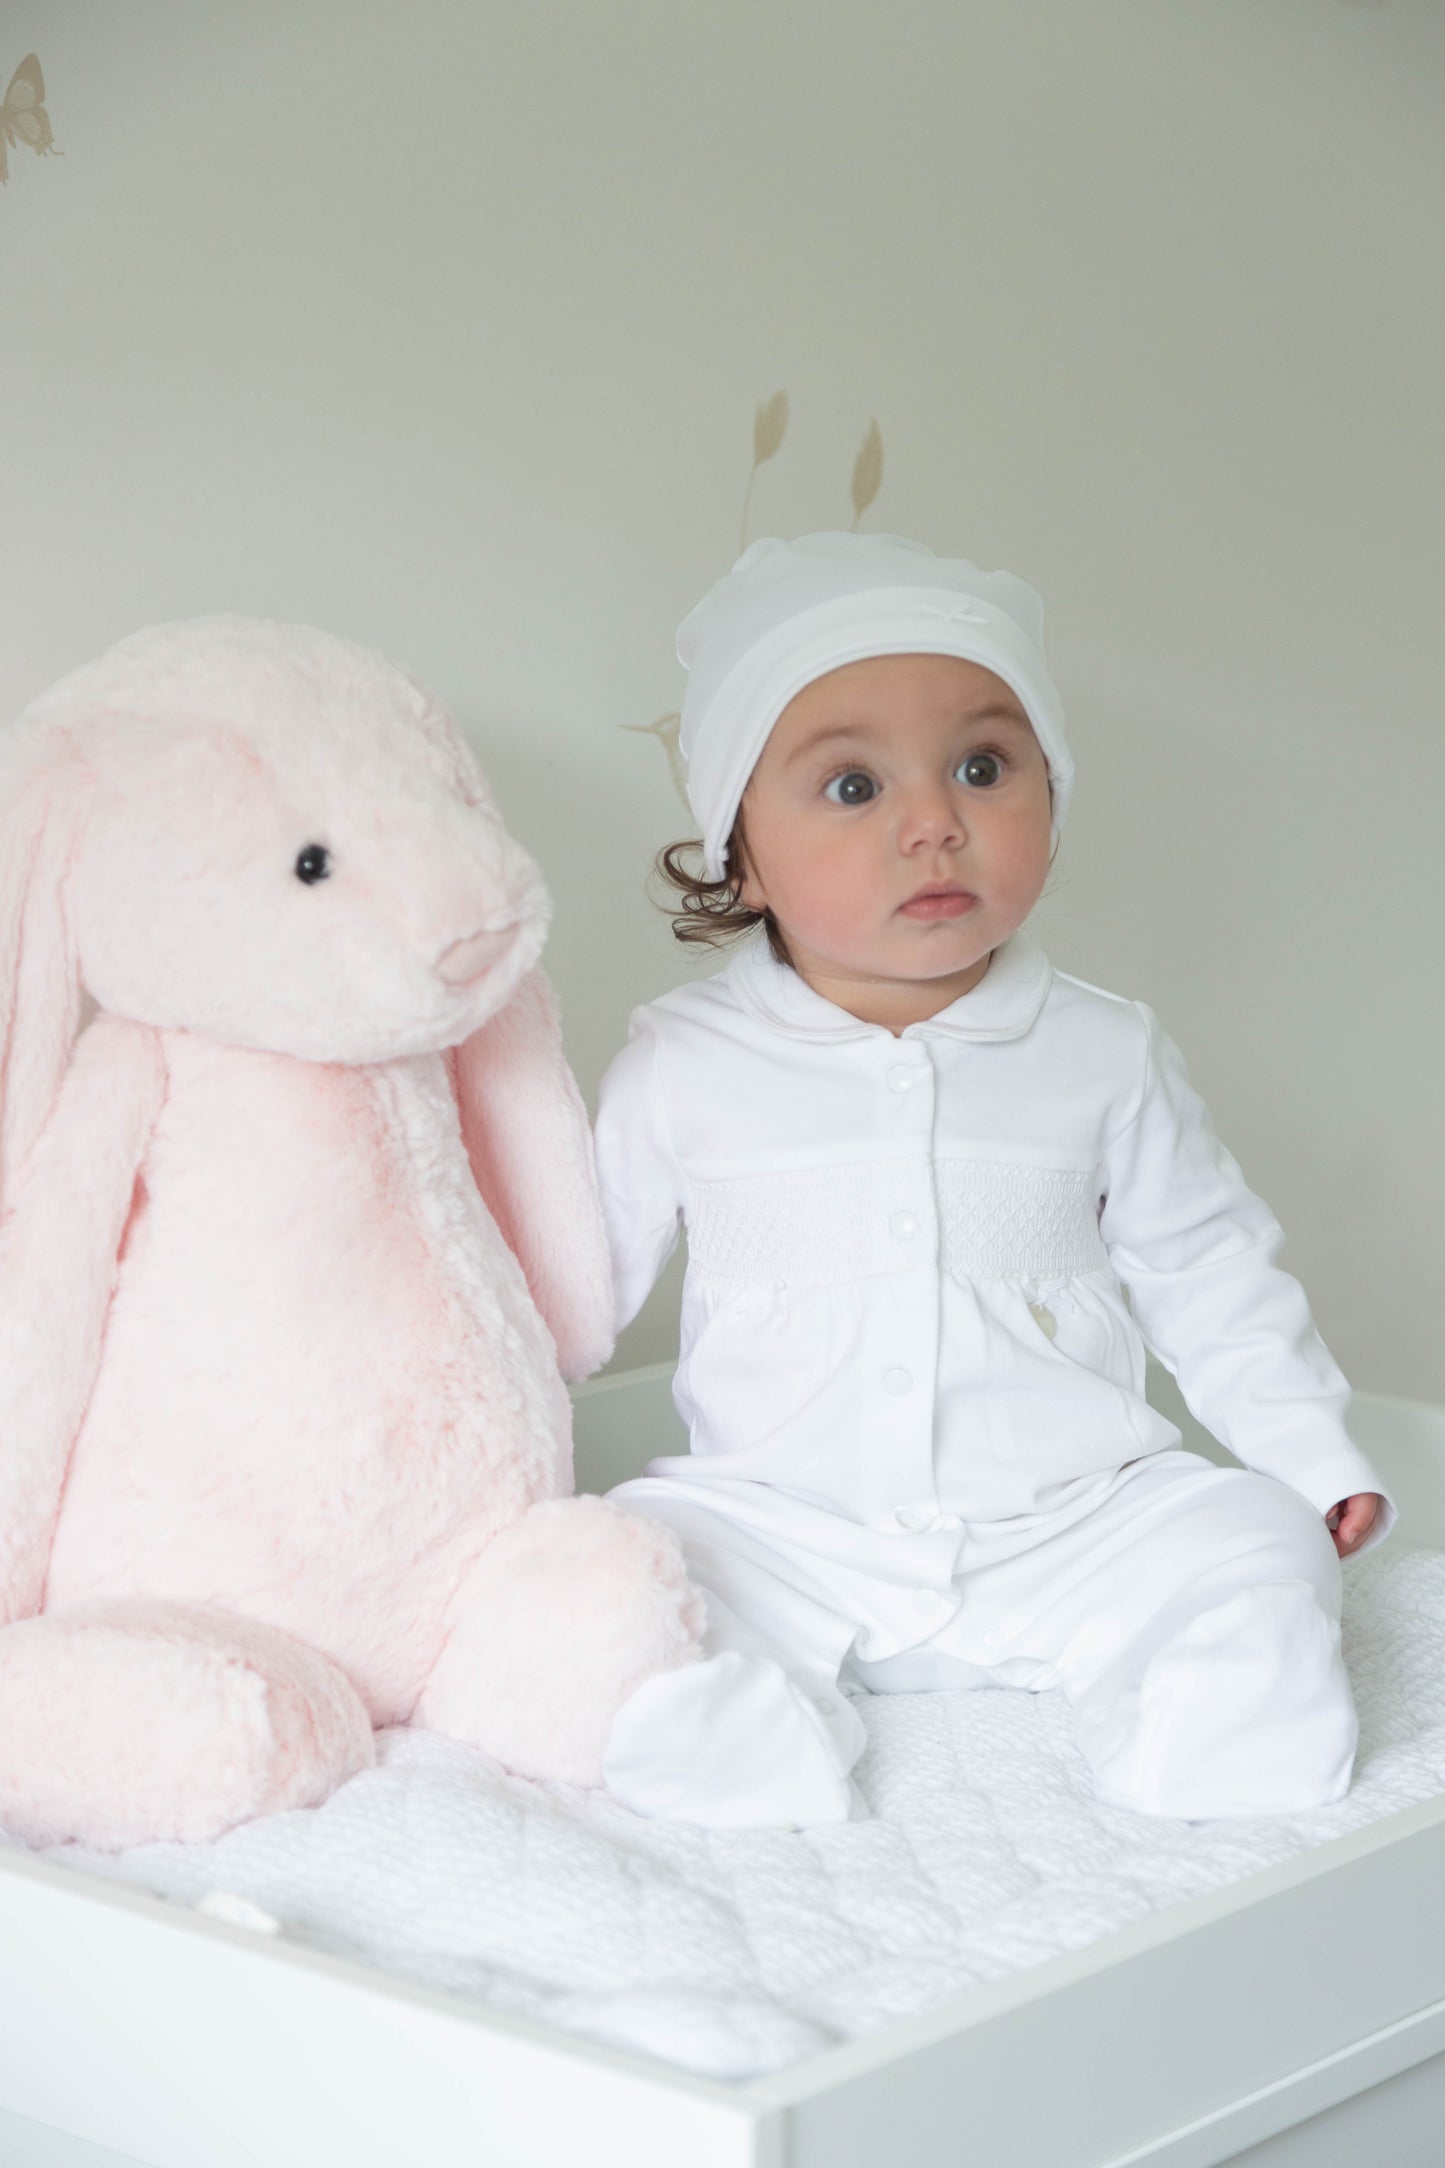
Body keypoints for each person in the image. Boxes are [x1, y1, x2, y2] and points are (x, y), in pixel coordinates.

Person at [592, 530, 1395, 1828]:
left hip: (1072, 1526)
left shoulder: (1100, 1049)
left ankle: (1213, 1736)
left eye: (981, 766)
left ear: (1049, 797)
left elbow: (1206, 1268)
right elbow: (568, 1297)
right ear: (735, 855)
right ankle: (737, 1740)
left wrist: (1306, 1457)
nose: (932, 823)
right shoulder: (681, 1068)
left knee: (1249, 1538)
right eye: (850, 787)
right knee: (615, 1566)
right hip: (782, 1530)